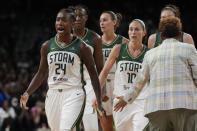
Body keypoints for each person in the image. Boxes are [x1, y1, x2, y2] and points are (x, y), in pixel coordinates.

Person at [20, 8, 105, 131]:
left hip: (74, 93)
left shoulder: (82, 47)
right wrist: (27, 92)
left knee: (66, 129)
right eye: (57, 20)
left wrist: (99, 99)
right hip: (53, 94)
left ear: (72, 23)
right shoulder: (47, 46)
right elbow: (41, 73)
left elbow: (93, 74)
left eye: (64, 20)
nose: (60, 23)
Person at [116, 16, 197, 131]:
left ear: (161, 36)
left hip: (156, 108)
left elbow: (140, 80)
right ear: (180, 35)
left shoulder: (150, 54)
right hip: (185, 105)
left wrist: (127, 98)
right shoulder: (189, 49)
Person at [94, 19, 149, 131]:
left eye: (137, 29)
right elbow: (104, 72)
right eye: (131, 29)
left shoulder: (149, 53)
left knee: (140, 128)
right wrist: (96, 94)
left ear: (144, 32)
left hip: (140, 101)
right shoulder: (118, 49)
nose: (133, 32)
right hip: (120, 101)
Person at [71, 5, 103, 131]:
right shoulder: (64, 37)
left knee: (90, 121)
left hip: (89, 83)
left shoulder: (95, 38)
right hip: (71, 83)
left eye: (80, 16)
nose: (77, 18)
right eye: (75, 16)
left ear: (86, 18)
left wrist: (101, 91)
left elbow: (100, 67)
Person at [98, 11, 129, 131]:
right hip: (102, 84)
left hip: (119, 85)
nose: (102, 23)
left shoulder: (124, 42)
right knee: (107, 126)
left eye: (105, 20)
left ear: (114, 22)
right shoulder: (96, 42)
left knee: (123, 124)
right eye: (100, 21)